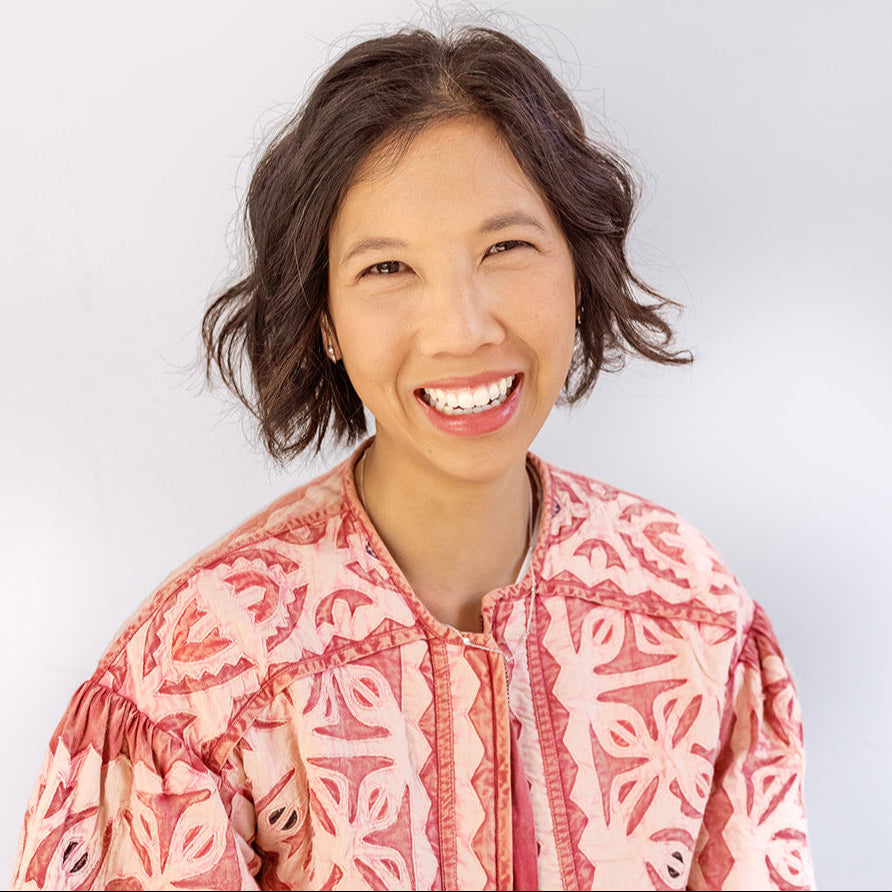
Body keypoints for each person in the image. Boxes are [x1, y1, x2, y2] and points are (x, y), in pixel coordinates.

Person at [11, 25, 814, 891]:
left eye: (505, 249)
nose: (462, 330)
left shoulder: (691, 610)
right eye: (388, 268)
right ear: (323, 322)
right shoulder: (202, 673)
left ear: (578, 268)